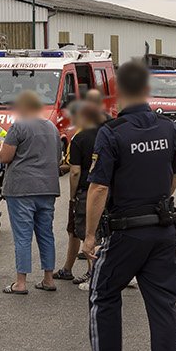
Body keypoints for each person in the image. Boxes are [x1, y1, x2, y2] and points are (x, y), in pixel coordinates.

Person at [77, 61, 176, 351]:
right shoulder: (168, 129)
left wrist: (89, 236)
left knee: (103, 293)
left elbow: (98, 188)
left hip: (125, 233)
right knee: (163, 306)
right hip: (162, 230)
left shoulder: (113, 133)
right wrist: (159, 200)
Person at [0, 90, 61, 293]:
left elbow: (5, 157)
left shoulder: (19, 126)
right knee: (46, 234)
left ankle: (21, 283)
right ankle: (49, 278)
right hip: (47, 188)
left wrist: (0, 147)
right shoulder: (52, 128)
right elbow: (58, 158)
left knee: (23, 237)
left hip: (21, 189)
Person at [54, 101, 103, 283]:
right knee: (78, 231)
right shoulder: (106, 134)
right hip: (104, 189)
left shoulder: (79, 138)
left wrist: (73, 196)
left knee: (86, 234)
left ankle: (93, 273)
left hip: (85, 190)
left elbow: (75, 171)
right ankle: (68, 268)